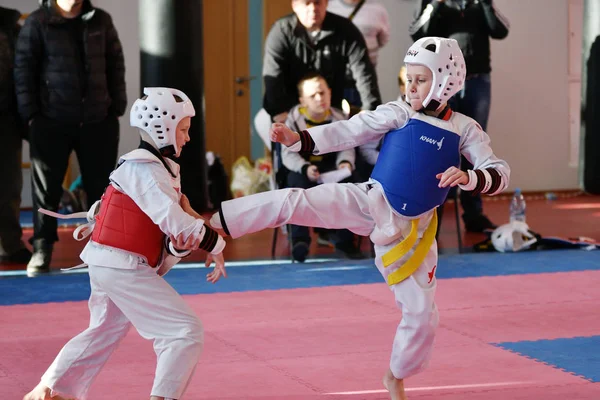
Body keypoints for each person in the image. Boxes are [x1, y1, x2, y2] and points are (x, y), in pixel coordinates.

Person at [210, 37, 510, 399]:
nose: (410, 87)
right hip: (369, 200)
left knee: (422, 318)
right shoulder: (398, 112)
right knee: (295, 201)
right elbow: (348, 130)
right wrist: (298, 139)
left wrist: (469, 177)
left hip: (413, 232)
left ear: (445, 80)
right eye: (408, 79)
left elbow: (499, 171)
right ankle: (218, 223)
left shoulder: (465, 129)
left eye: (420, 79)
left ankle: (396, 375)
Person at [23, 88, 227, 400]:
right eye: (183, 130)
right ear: (163, 127)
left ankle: (50, 391)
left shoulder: (156, 169)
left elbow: (167, 234)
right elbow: (174, 221)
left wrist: (183, 242)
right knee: (183, 332)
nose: (187, 139)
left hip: (114, 262)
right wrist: (215, 243)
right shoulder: (143, 168)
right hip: (121, 265)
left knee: (104, 331)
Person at [14, 0, 127, 275]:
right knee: (46, 191)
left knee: (102, 190)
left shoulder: (101, 20)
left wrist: (116, 107)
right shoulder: (37, 22)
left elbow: (116, 64)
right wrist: (31, 115)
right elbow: (23, 69)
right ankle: (42, 248)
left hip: (98, 120)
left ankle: (104, 249)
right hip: (51, 121)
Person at [409, 0, 509, 233]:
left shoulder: (479, 3)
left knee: (475, 146)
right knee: (441, 147)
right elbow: (416, 32)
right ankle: (435, 213)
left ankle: (474, 214)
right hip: (442, 84)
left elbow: (500, 30)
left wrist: (485, 3)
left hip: (478, 81)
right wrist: (435, 4)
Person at [282, 72, 363, 261]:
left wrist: (345, 162)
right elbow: (287, 154)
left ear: (330, 93)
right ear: (303, 101)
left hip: (330, 166)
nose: (320, 99)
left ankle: (344, 240)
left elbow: (347, 145)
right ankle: (300, 241)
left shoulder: (339, 117)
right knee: (295, 185)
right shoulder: (293, 121)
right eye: (313, 96)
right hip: (304, 168)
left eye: (323, 93)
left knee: (348, 184)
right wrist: (304, 168)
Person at [263, 0, 381, 124]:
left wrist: (370, 110)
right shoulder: (280, 31)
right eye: (307, 3)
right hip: (290, 112)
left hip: (332, 111)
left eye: (317, 2)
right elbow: (272, 75)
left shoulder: (345, 29)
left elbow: (364, 71)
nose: (313, 8)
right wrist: (278, 112)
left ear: (326, 3)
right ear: (294, 5)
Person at [0, 6, 31, 264]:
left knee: (9, 186)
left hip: (6, 120)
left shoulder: (13, 28)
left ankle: (10, 243)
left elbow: (27, 74)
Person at [327, 0, 390, 108]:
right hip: (335, 78)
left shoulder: (378, 10)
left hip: (366, 76)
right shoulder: (329, 6)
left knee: (367, 113)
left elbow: (383, 40)